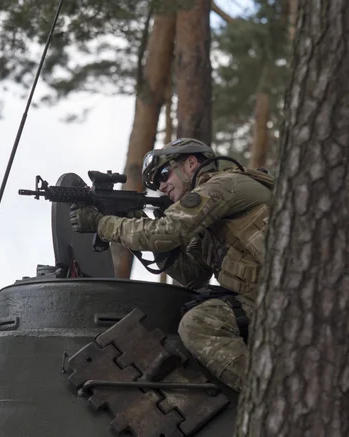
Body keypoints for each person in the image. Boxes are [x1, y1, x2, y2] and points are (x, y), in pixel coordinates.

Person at [69, 138, 274, 392]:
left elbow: (165, 231)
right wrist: (157, 243)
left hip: (286, 293)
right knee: (198, 321)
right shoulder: (208, 225)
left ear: (191, 164)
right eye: (156, 183)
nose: (162, 186)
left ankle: (273, 398)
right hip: (262, 299)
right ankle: (266, 396)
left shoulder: (224, 185)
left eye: (164, 174)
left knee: (196, 324)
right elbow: (193, 276)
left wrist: (103, 224)